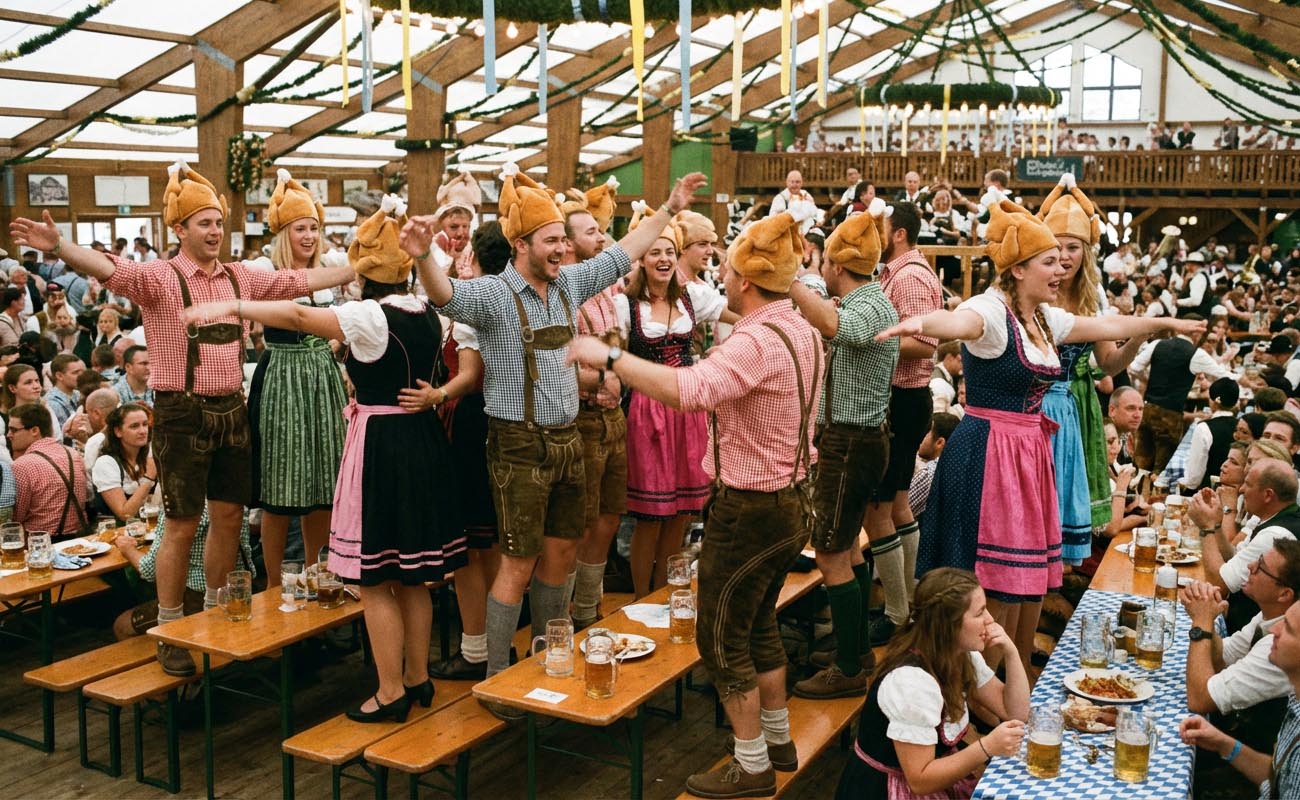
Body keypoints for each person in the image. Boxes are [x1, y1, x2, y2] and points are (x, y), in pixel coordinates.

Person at [8, 159, 355, 676]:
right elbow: (107, 268)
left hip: (231, 410)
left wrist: (358, 267)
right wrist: (59, 247)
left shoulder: (241, 276)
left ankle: (213, 610)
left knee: (230, 516)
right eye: (205, 223)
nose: (215, 231)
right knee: (181, 523)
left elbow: (297, 280)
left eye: (219, 223)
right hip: (181, 413)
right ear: (180, 229)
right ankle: (170, 626)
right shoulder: (158, 277)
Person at [411, 164, 708, 719]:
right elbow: (445, 295)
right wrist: (424, 254)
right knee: (518, 561)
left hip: (569, 440)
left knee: (562, 554)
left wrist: (668, 207)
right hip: (518, 446)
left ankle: (544, 657)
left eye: (562, 240)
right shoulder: (494, 296)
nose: (561, 248)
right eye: (551, 241)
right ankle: (498, 677)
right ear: (521, 243)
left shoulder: (568, 284)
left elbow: (622, 252)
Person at [878, 200, 1205, 669]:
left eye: (1062, 259)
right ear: (1017, 269)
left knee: (1020, 579)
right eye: (1049, 262)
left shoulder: (1045, 318)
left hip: (1028, 453)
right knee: (987, 580)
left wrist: (1162, 324)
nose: (1061, 269)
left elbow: (1109, 325)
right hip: (988, 453)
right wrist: (923, 323)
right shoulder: (990, 312)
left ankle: (1007, 672)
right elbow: (959, 323)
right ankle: (972, 681)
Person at [569, 204, 822, 798]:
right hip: (791, 500)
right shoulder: (801, 327)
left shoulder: (756, 338)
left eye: (728, 269)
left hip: (752, 507)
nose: (720, 275)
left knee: (718, 637)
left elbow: (689, 392)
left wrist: (607, 357)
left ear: (746, 280)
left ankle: (753, 762)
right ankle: (778, 738)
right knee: (757, 623)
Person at [183, 194, 467, 723]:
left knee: (372, 576)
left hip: (382, 444)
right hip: (424, 444)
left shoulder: (369, 315)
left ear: (366, 267)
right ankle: (417, 677)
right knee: (413, 577)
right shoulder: (426, 309)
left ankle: (389, 691)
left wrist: (234, 306)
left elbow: (294, 313)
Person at [788, 200, 899, 700]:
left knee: (831, 552)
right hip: (860, 439)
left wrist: (788, 282)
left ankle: (850, 668)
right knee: (849, 548)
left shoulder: (867, 306)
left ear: (837, 265)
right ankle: (854, 648)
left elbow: (837, 328)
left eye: (825, 265)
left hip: (851, 443)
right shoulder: (869, 300)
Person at [616, 203, 733, 597]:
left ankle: (665, 593)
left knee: (680, 514)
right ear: (641, 259)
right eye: (655, 252)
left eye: (669, 251)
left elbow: (733, 313)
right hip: (646, 412)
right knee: (651, 515)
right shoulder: (626, 305)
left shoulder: (691, 298)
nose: (663, 258)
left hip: (685, 406)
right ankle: (640, 595)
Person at [834, 568, 1029, 800]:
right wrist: (986, 747)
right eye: (980, 613)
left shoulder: (959, 654)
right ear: (948, 625)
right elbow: (919, 779)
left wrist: (1011, 652)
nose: (990, 620)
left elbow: (1015, 712)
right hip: (885, 791)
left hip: (931, 779)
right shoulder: (911, 683)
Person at [245, 170, 348, 589]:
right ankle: (272, 582)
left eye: (313, 228)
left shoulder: (329, 270)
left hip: (322, 377)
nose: (308, 236)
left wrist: (332, 350)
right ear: (283, 233)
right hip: (283, 376)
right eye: (299, 229)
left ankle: (315, 571)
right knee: (281, 484)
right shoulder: (266, 269)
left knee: (322, 481)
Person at [429, 222, 512, 681]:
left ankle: (478, 649)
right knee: (493, 541)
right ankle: (494, 645)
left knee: (469, 544)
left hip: (470, 421)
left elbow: (468, 374)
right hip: (497, 419)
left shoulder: (475, 304)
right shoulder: (513, 295)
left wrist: (437, 396)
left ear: (475, 260)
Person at [1039, 172, 1134, 561]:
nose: (1064, 255)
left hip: (1075, 405)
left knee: (1063, 495)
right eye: (1056, 246)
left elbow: (1110, 362)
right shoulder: (1032, 287)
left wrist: (1139, 335)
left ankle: (1055, 581)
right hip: (1033, 403)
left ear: (1087, 252)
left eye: (1073, 247)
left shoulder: (1092, 299)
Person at [867, 201, 943, 646]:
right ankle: (905, 601)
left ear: (897, 234)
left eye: (880, 228)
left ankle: (896, 612)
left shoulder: (911, 276)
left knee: (879, 511)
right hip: (904, 398)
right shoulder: (901, 272)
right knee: (896, 506)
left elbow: (924, 343)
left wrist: (868, 345)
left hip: (903, 398)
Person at [558, 183, 629, 630]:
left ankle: (588, 609)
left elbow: (615, 345)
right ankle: (564, 616)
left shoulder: (604, 291)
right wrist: (608, 375)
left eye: (601, 231)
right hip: (582, 419)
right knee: (579, 524)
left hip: (613, 419)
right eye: (591, 232)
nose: (602, 238)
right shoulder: (563, 292)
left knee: (608, 518)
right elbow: (554, 367)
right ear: (567, 243)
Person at [1181, 539, 1300, 799]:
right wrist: (1224, 744)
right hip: (1248, 755)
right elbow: (1223, 657)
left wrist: (1201, 623)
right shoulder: (1271, 618)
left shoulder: (1276, 653)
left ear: (1284, 595)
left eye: (1261, 568)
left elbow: (1199, 698)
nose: (1249, 565)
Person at [1189, 458, 1300, 634]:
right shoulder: (1274, 518)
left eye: (1247, 484)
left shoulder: (1275, 535)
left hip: (1250, 634)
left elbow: (1219, 583)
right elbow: (1233, 558)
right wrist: (1217, 525)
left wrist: (1206, 528)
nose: (1241, 490)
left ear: (1268, 495)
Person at [1129, 317, 1236, 475]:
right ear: (1197, 334)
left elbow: (1134, 368)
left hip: (1148, 408)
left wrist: (1149, 379)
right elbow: (1222, 374)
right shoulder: (1195, 354)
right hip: (1170, 415)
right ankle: (1155, 497)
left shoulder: (1158, 344)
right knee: (1161, 468)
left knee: (1141, 463)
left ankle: (1137, 494)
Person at [10, 403, 88, 539]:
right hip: (80, 539)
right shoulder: (72, 454)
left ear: (34, 430)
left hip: (41, 545)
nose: (9, 435)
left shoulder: (22, 465)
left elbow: (17, 517)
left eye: (13, 430)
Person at [91, 403, 158, 523]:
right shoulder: (106, 464)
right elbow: (125, 514)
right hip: (115, 534)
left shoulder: (149, 456)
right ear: (118, 431)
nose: (143, 431)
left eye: (145, 424)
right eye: (134, 426)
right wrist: (148, 479)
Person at [1181, 378, 1242, 491]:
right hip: (1236, 489)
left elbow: (1194, 478)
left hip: (1208, 490)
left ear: (1213, 401)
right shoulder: (1242, 426)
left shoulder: (1204, 428)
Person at [768, 170, 818, 235]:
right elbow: (772, 221)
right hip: (785, 235)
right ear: (787, 182)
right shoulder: (780, 198)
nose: (794, 185)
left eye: (797, 182)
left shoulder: (807, 196)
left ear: (801, 183)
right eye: (792, 182)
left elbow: (815, 216)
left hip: (805, 235)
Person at [45, 353, 84, 435]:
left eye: (82, 372)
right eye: (75, 373)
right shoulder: (52, 403)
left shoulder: (78, 394)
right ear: (59, 376)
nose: (81, 376)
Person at [1108, 385, 1144, 464]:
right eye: (1131, 408)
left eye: (1141, 409)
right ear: (1112, 411)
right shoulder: (1102, 437)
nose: (1137, 415)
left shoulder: (1132, 437)